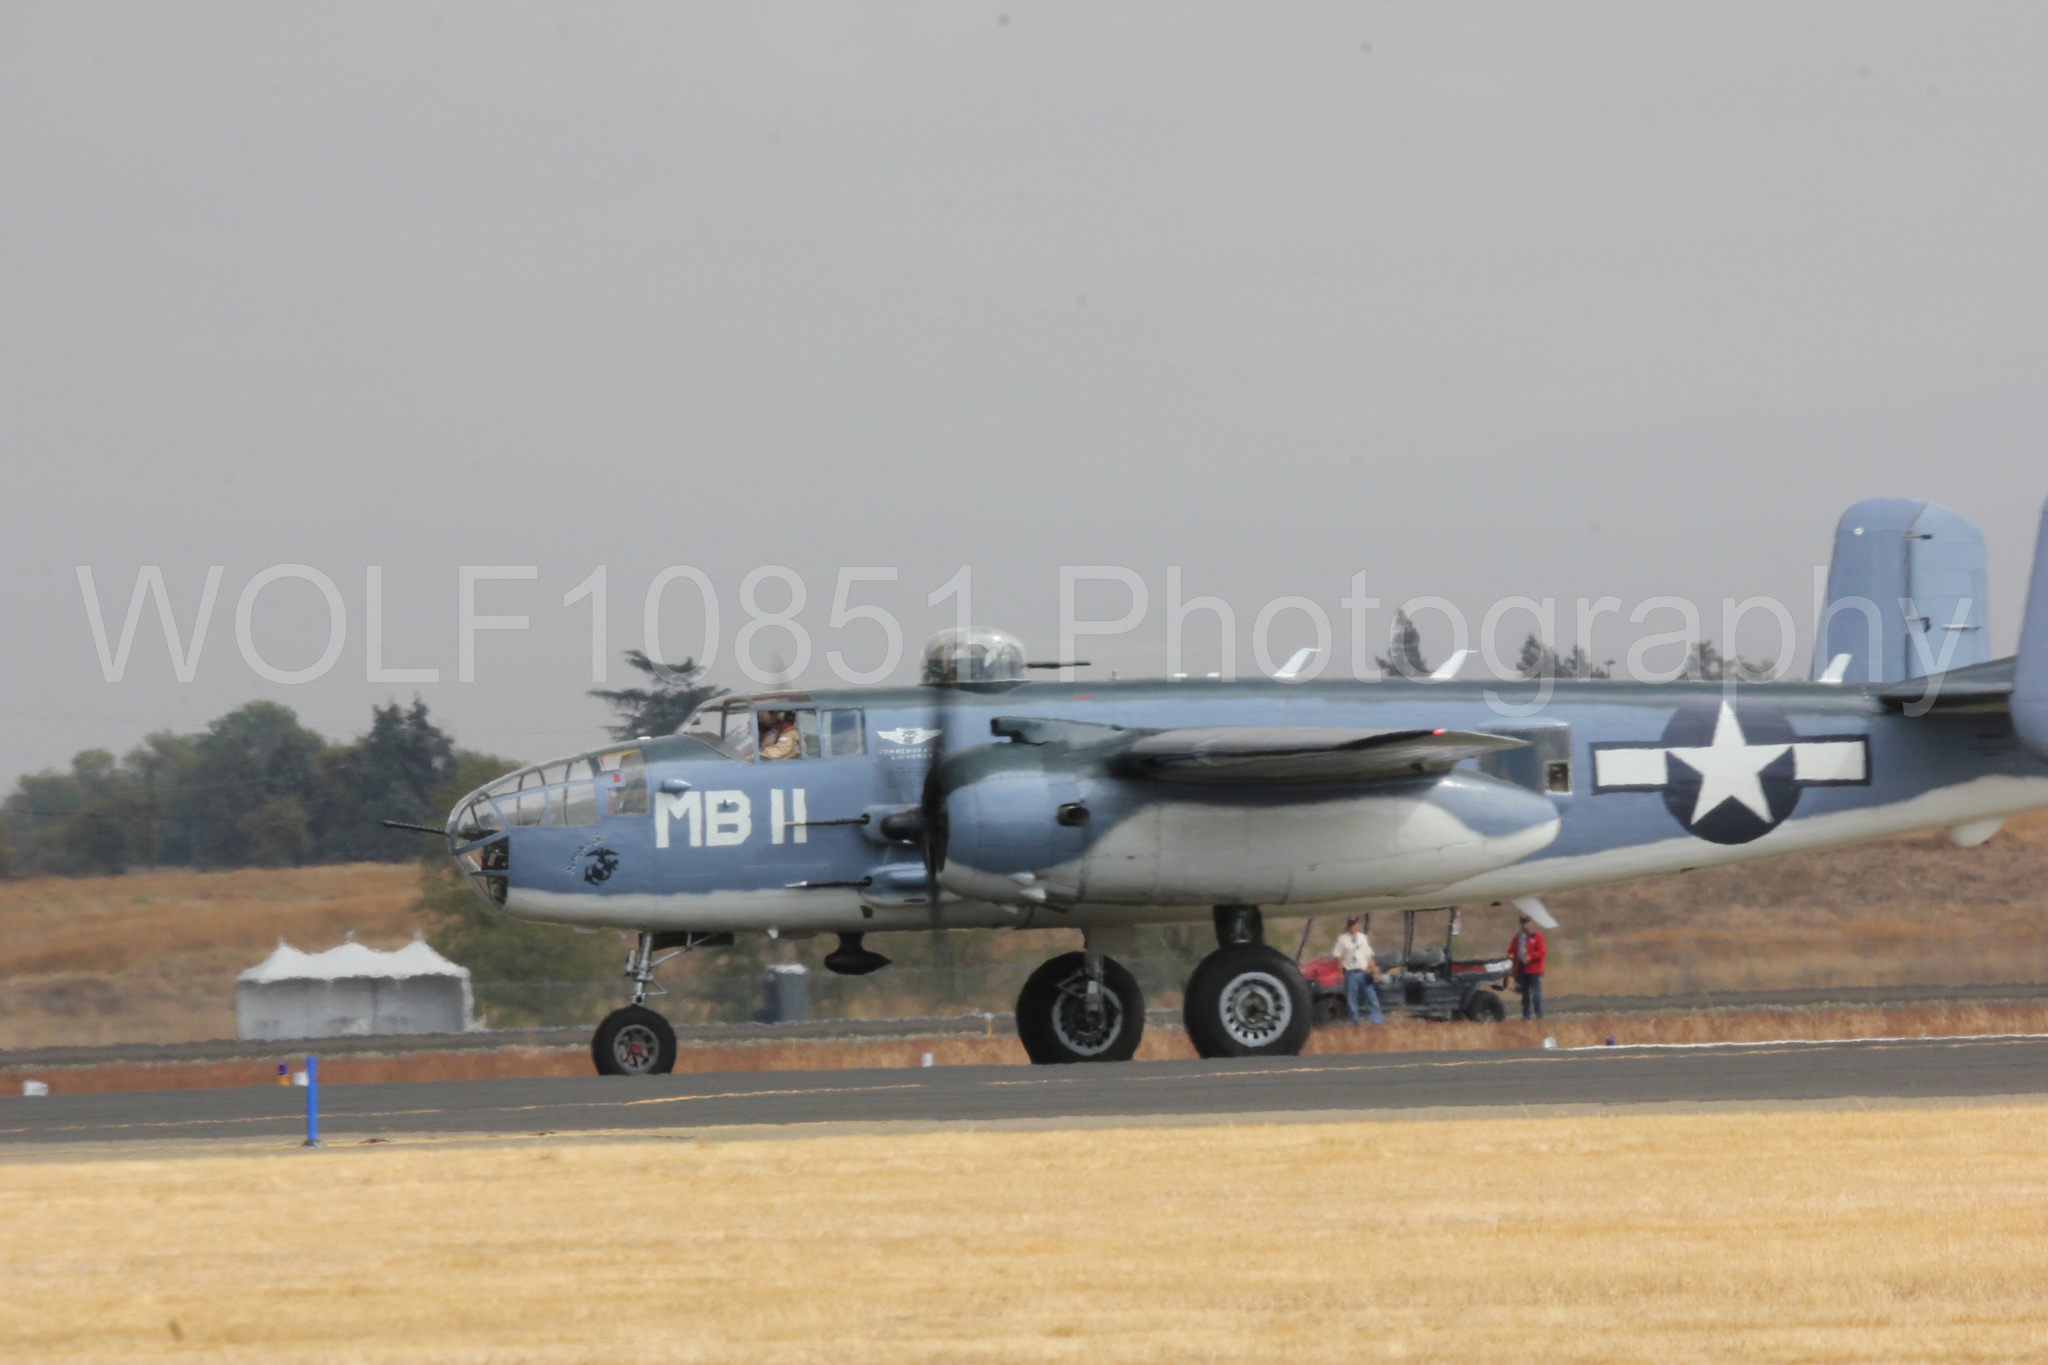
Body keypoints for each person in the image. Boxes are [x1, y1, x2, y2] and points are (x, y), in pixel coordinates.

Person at [1332, 915, 1383, 1025]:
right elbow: (1339, 957)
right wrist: (1340, 973)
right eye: (1350, 924)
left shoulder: (1363, 938)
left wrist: (1375, 970)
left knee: (1371, 997)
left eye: (1354, 924)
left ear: (1358, 925)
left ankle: (1377, 1021)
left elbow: (1368, 955)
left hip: (1363, 972)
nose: (1352, 926)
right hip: (1351, 973)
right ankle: (1354, 1022)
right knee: (1352, 1000)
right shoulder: (1342, 939)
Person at [1509, 912, 1547, 1020]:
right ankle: (1526, 1016)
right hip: (1522, 969)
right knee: (1524, 994)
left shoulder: (1536, 935)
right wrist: (1511, 955)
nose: (1524, 924)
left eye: (1526, 922)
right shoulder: (1518, 937)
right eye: (1522, 922)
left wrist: (1531, 956)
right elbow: (1511, 950)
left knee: (1536, 995)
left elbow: (1542, 951)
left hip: (1535, 970)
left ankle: (1539, 1016)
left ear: (1530, 923)